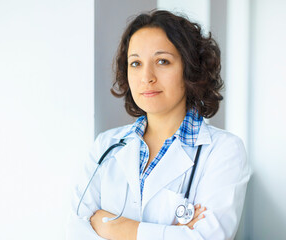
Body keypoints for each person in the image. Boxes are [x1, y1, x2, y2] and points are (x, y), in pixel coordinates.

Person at [67, 10, 251, 240]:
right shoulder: (106, 145)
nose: (147, 77)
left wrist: (111, 227)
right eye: (135, 63)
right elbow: (76, 231)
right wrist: (173, 233)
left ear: (190, 68)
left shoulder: (224, 151)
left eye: (162, 61)